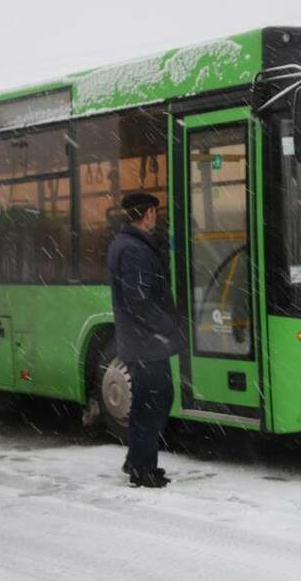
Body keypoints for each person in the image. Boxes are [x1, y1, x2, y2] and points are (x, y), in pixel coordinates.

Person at [105, 192, 185, 488]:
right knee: (155, 402)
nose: (157, 217)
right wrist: (166, 325)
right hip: (146, 342)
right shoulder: (135, 249)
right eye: (155, 212)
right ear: (148, 213)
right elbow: (138, 300)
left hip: (141, 342)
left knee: (146, 403)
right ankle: (142, 469)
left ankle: (138, 461)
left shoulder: (126, 244)